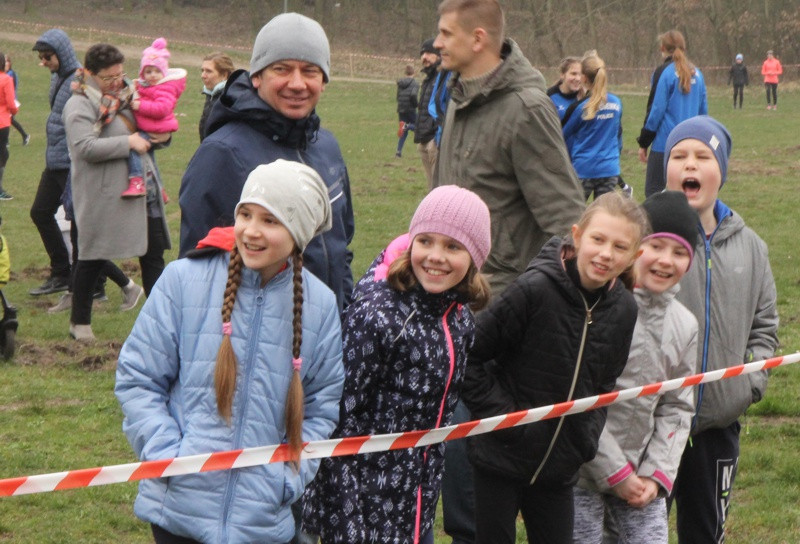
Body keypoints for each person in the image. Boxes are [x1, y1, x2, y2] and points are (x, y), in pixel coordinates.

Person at [115, 159, 345, 544]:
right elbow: (138, 379)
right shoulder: (183, 281)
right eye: (245, 214)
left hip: (262, 521)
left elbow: (322, 406)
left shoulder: (320, 307)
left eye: (270, 221)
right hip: (178, 514)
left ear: (299, 233)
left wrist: (288, 478)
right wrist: (169, 457)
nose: (251, 231)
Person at [432, 3, 585, 541]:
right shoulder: (457, 99)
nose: (437, 41)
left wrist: (522, 306)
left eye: (446, 32)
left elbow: (567, 225)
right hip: (448, 317)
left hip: (499, 335)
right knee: (459, 496)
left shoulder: (526, 108)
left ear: (479, 39)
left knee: (483, 499)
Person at [302, 185, 491, 544]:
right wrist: (347, 520)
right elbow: (340, 423)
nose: (436, 256)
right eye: (426, 241)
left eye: (453, 246)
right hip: (361, 502)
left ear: (476, 256)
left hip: (416, 495)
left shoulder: (459, 318)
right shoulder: (377, 317)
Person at [462, 192, 648, 544]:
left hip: (560, 466)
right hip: (500, 458)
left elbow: (605, 382)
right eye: (598, 239)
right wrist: (506, 419)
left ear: (634, 257)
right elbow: (470, 357)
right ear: (577, 237)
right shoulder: (534, 290)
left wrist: (584, 437)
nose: (606, 253)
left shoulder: (624, 310)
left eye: (620, 247)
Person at [178, 12, 355, 314]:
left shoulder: (326, 147)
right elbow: (198, 274)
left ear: (323, 80)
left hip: (327, 335)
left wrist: (345, 312)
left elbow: (340, 247)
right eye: (282, 69)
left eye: (310, 71)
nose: (297, 84)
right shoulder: (221, 154)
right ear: (257, 76)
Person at [664, 116, 778, 543]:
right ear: (667, 168)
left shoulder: (751, 245)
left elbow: (765, 326)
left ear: (721, 171)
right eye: (679, 156)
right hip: (650, 425)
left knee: (706, 532)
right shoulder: (645, 235)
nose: (689, 164)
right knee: (635, 531)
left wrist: (749, 385)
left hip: (718, 425)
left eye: (702, 156)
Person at [573, 190, 699, 544]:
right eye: (655, 246)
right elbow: (579, 398)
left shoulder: (686, 325)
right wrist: (615, 471)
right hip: (582, 471)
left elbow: (678, 405)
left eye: (679, 253)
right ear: (633, 250)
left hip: (643, 477)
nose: (665, 261)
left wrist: (656, 474)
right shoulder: (600, 309)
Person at [62, 43, 170, 341]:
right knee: (93, 255)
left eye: (120, 74)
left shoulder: (127, 96)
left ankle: (160, 324)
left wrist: (160, 136)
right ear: (90, 74)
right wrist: (128, 144)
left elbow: (144, 129)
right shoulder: (79, 104)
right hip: (106, 195)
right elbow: (84, 147)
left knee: (153, 254)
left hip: (143, 190)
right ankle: (79, 324)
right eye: (109, 77)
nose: (117, 82)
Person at [29, 29, 81, 296]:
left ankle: (96, 283)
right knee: (39, 212)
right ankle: (61, 272)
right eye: (41, 57)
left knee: (79, 225)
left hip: (71, 163)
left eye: (47, 56)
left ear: (62, 53)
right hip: (54, 161)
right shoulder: (57, 78)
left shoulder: (80, 79)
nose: (44, 62)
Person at [636, 30, 707, 198]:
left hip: (664, 145)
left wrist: (644, 141)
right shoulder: (698, 73)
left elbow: (656, 110)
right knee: (687, 195)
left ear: (662, 48)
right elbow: (704, 113)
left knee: (654, 195)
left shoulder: (663, 73)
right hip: (691, 143)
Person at [123, 37, 187, 198]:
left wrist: (140, 106)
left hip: (155, 128)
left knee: (135, 149)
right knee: (150, 158)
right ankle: (160, 190)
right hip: (151, 127)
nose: (152, 75)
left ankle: (137, 181)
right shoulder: (149, 86)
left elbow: (162, 109)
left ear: (164, 72)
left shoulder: (165, 88)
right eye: (148, 71)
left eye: (157, 71)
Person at [561, 51, 624, 202]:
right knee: (602, 216)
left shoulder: (580, 108)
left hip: (584, 170)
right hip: (610, 169)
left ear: (583, 78)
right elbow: (618, 136)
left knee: (574, 216)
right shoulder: (617, 103)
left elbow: (561, 135)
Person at [414, 38, 441, 187]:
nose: (424, 57)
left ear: (438, 55)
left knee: (439, 187)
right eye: (422, 53)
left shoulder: (442, 78)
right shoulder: (427, 80)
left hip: (435, 141)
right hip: (424, 140)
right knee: (432, 187)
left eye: (429, 53)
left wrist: (436, 139)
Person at [198, 52, 234, 142]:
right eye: (202, 71)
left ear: (224, 75)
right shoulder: (211, 95)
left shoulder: (229, 99)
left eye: (208, 71)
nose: (203, 75)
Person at [0, 53, 18, 201]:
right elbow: (11, 104)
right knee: (3, 154)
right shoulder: (6, 79)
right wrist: (14, 111)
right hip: (2, 122)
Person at [547, 56, 582, 120]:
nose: (578, 78)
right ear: (562, 75)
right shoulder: (549, 96)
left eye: (581, 74)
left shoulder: (586, 96)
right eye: (573, 74)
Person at [5, 55, 30, 145]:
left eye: (7, 61)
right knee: (9, 120)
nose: (5, 63)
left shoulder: (12, 74)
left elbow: (12, 88)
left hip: (11, 100)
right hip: (4, 101)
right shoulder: (3, 74)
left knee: (8, 119)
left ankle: (7, 141)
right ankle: (24, 136)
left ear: (10, 63)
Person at [395, 64, 418, 158]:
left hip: (401, 108)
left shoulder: (400, 83)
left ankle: (398, 152)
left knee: (403, 131)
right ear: (414, 73)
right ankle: (407, 126)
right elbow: (413, 95)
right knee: (418, 127)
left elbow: (397, 96)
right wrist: (416, 104)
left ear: (405, 73)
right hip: (410, 109)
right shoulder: (415, 83)